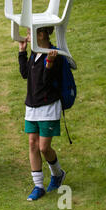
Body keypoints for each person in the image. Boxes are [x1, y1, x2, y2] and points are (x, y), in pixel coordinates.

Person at [18, 27, 66, 201]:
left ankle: (57, 174)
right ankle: (38, 186)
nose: (27, 36)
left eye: (30, 33)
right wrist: (22, 52)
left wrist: (50, 64)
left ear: (41, 34)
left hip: (48, 106)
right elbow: (25, 74)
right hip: (31, 106)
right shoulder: (34, 54)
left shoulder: (55, 55)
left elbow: (46, 83)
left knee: (44, 147)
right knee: (32, 144)